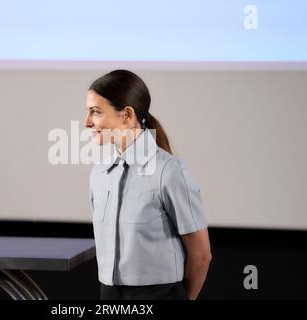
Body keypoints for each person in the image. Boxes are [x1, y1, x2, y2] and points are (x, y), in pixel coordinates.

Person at [85, 70, 212, 300]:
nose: (87, 122)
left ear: (127, 115)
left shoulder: (169, 172)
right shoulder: (99, 173)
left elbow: (201, 255)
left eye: (95, 112)